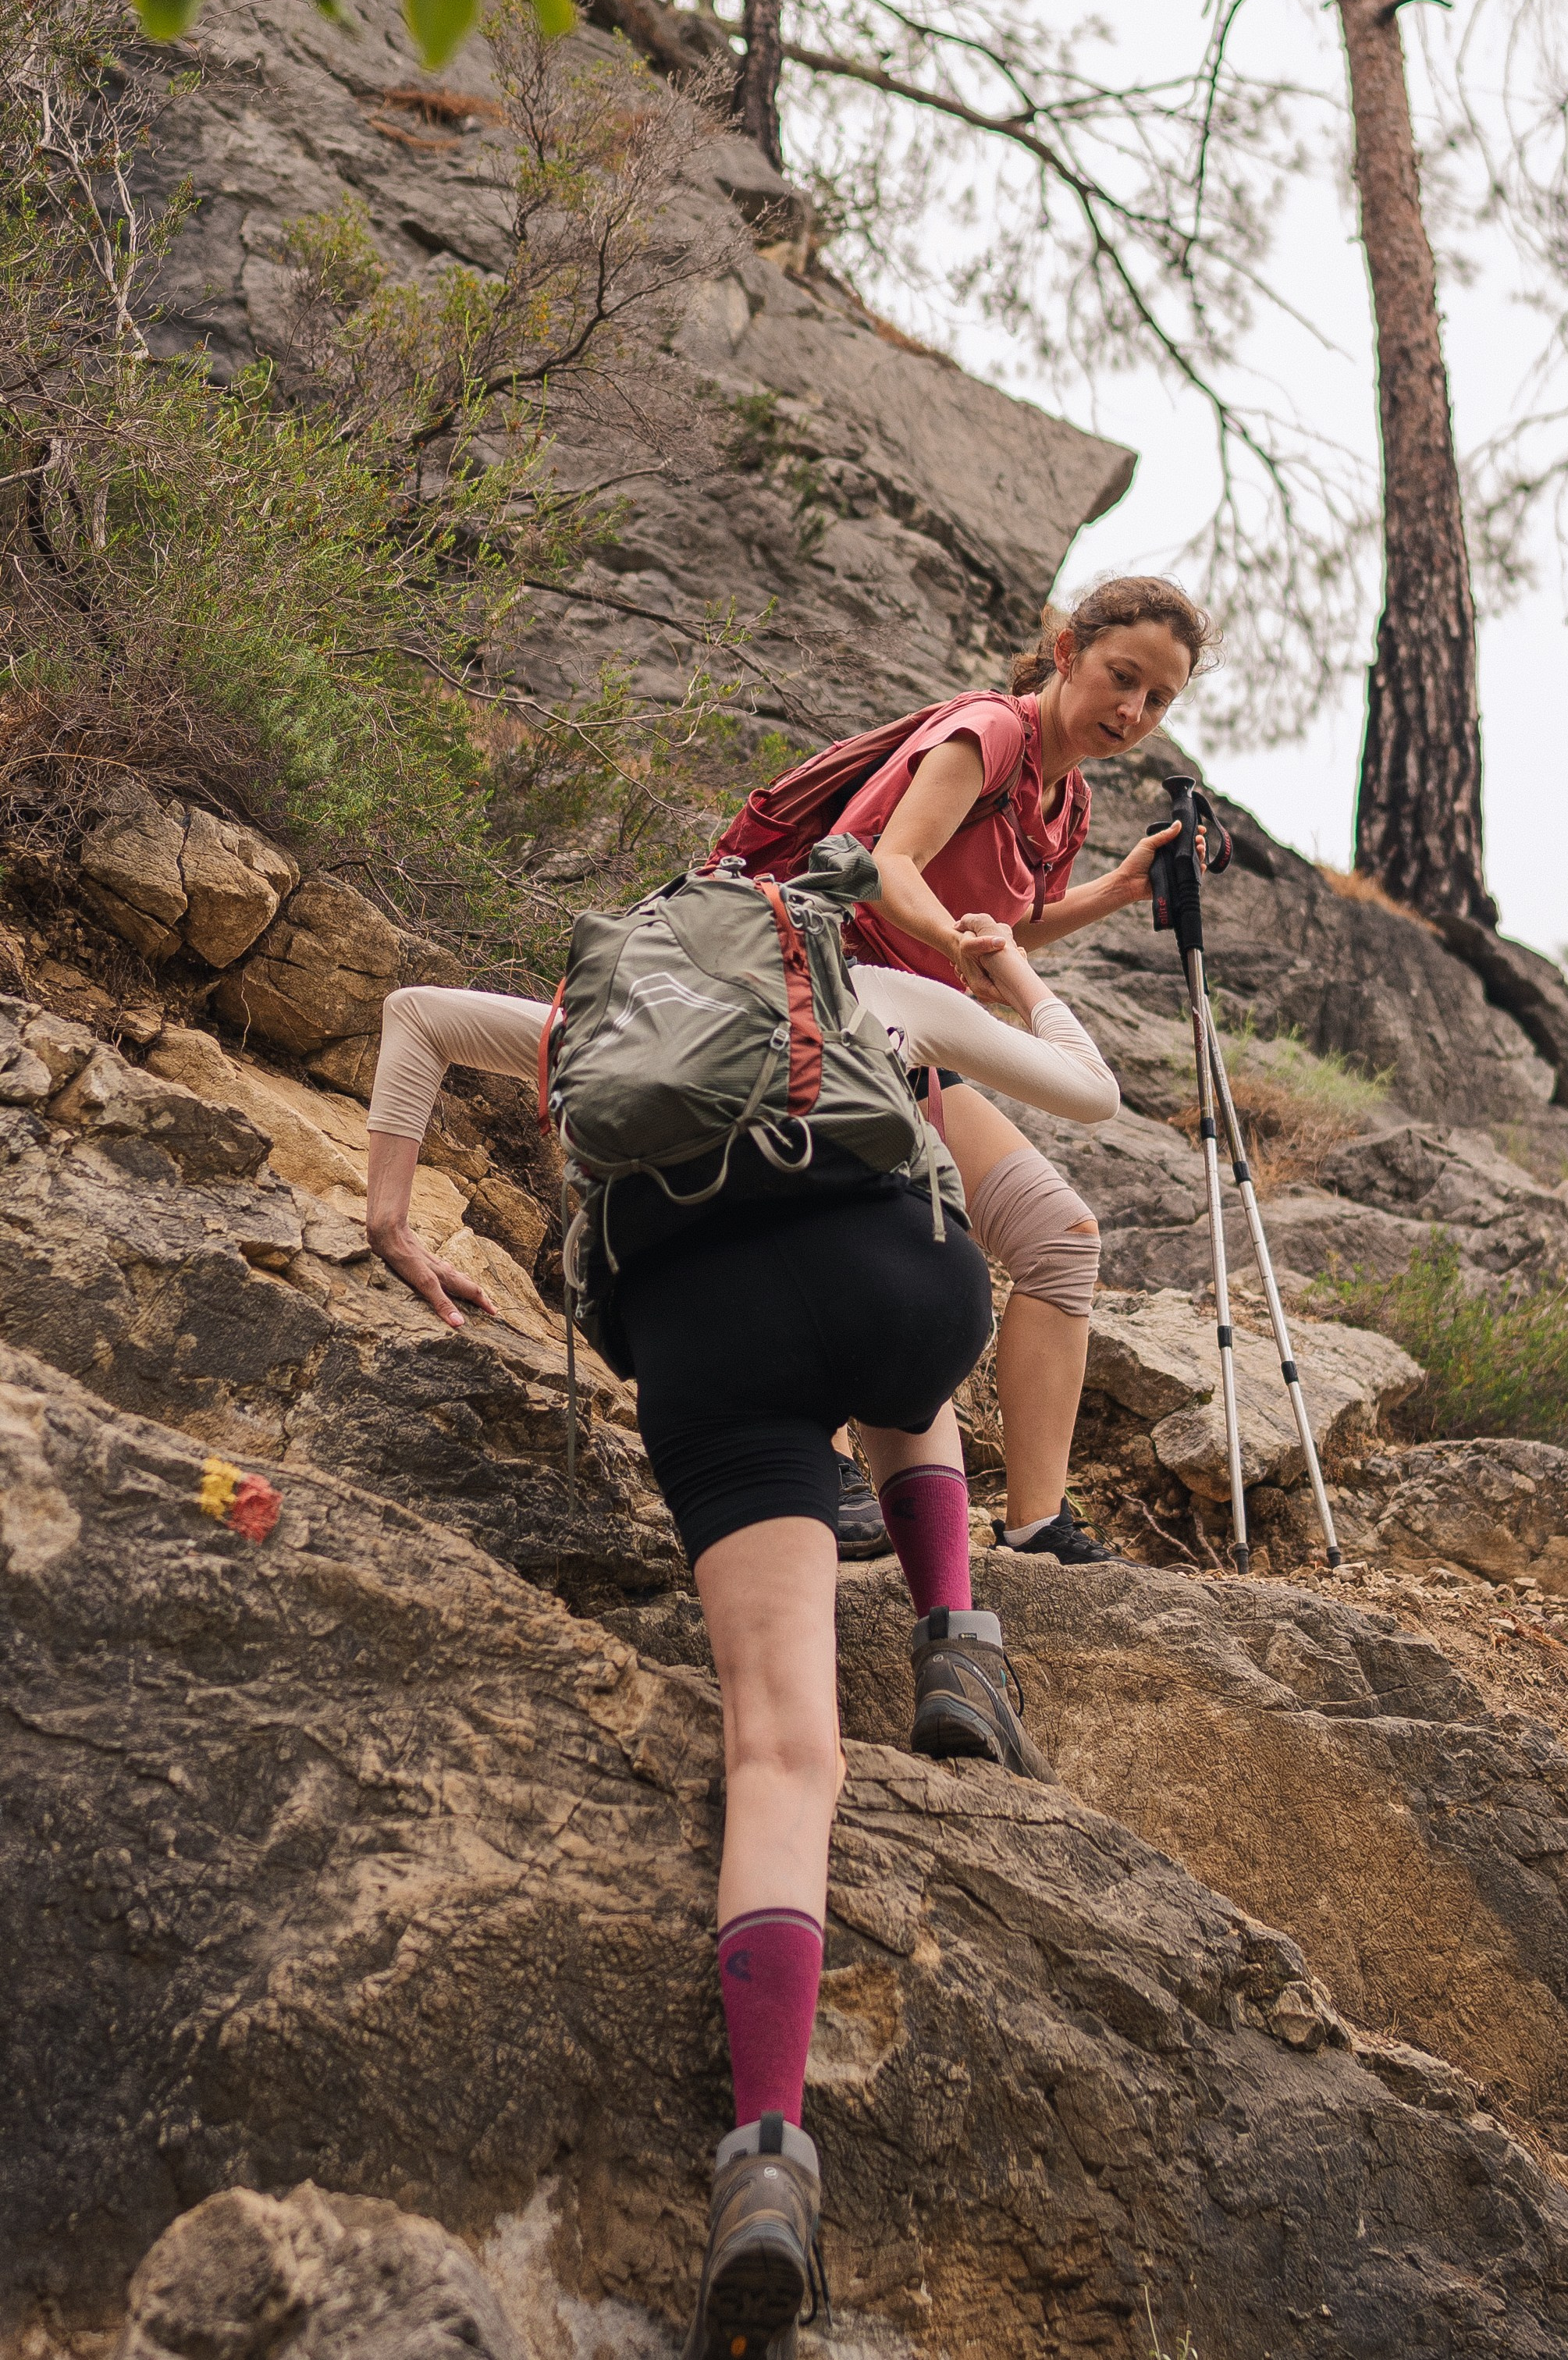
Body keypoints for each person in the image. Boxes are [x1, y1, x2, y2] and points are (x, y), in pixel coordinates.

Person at [361, 931, 1121, 2357]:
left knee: (781, 1751)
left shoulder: (579, 1027)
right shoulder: (863, 992)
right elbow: (1096, 1097)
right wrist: (1018, 978)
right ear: (789, 932)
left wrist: (393, 1214)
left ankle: (765, 2155)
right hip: (900, 1296)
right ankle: (954, 1631)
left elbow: (408, 1017)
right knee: (903, 1261)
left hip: (707, 1348)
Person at [827, 574, 1211, 1566]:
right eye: (1120, 677)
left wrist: (1120, 889)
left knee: (1060, 1238)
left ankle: (1037, 1525)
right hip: (825, 1009)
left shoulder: (1065, 798)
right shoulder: (988, 734)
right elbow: (889, 865)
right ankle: (812, 1447)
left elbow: (1014, 924)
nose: (1130, 710)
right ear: (1067, 650)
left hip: (917, 1039)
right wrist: (959, 947)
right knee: (879, 1229)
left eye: (1157, 700)